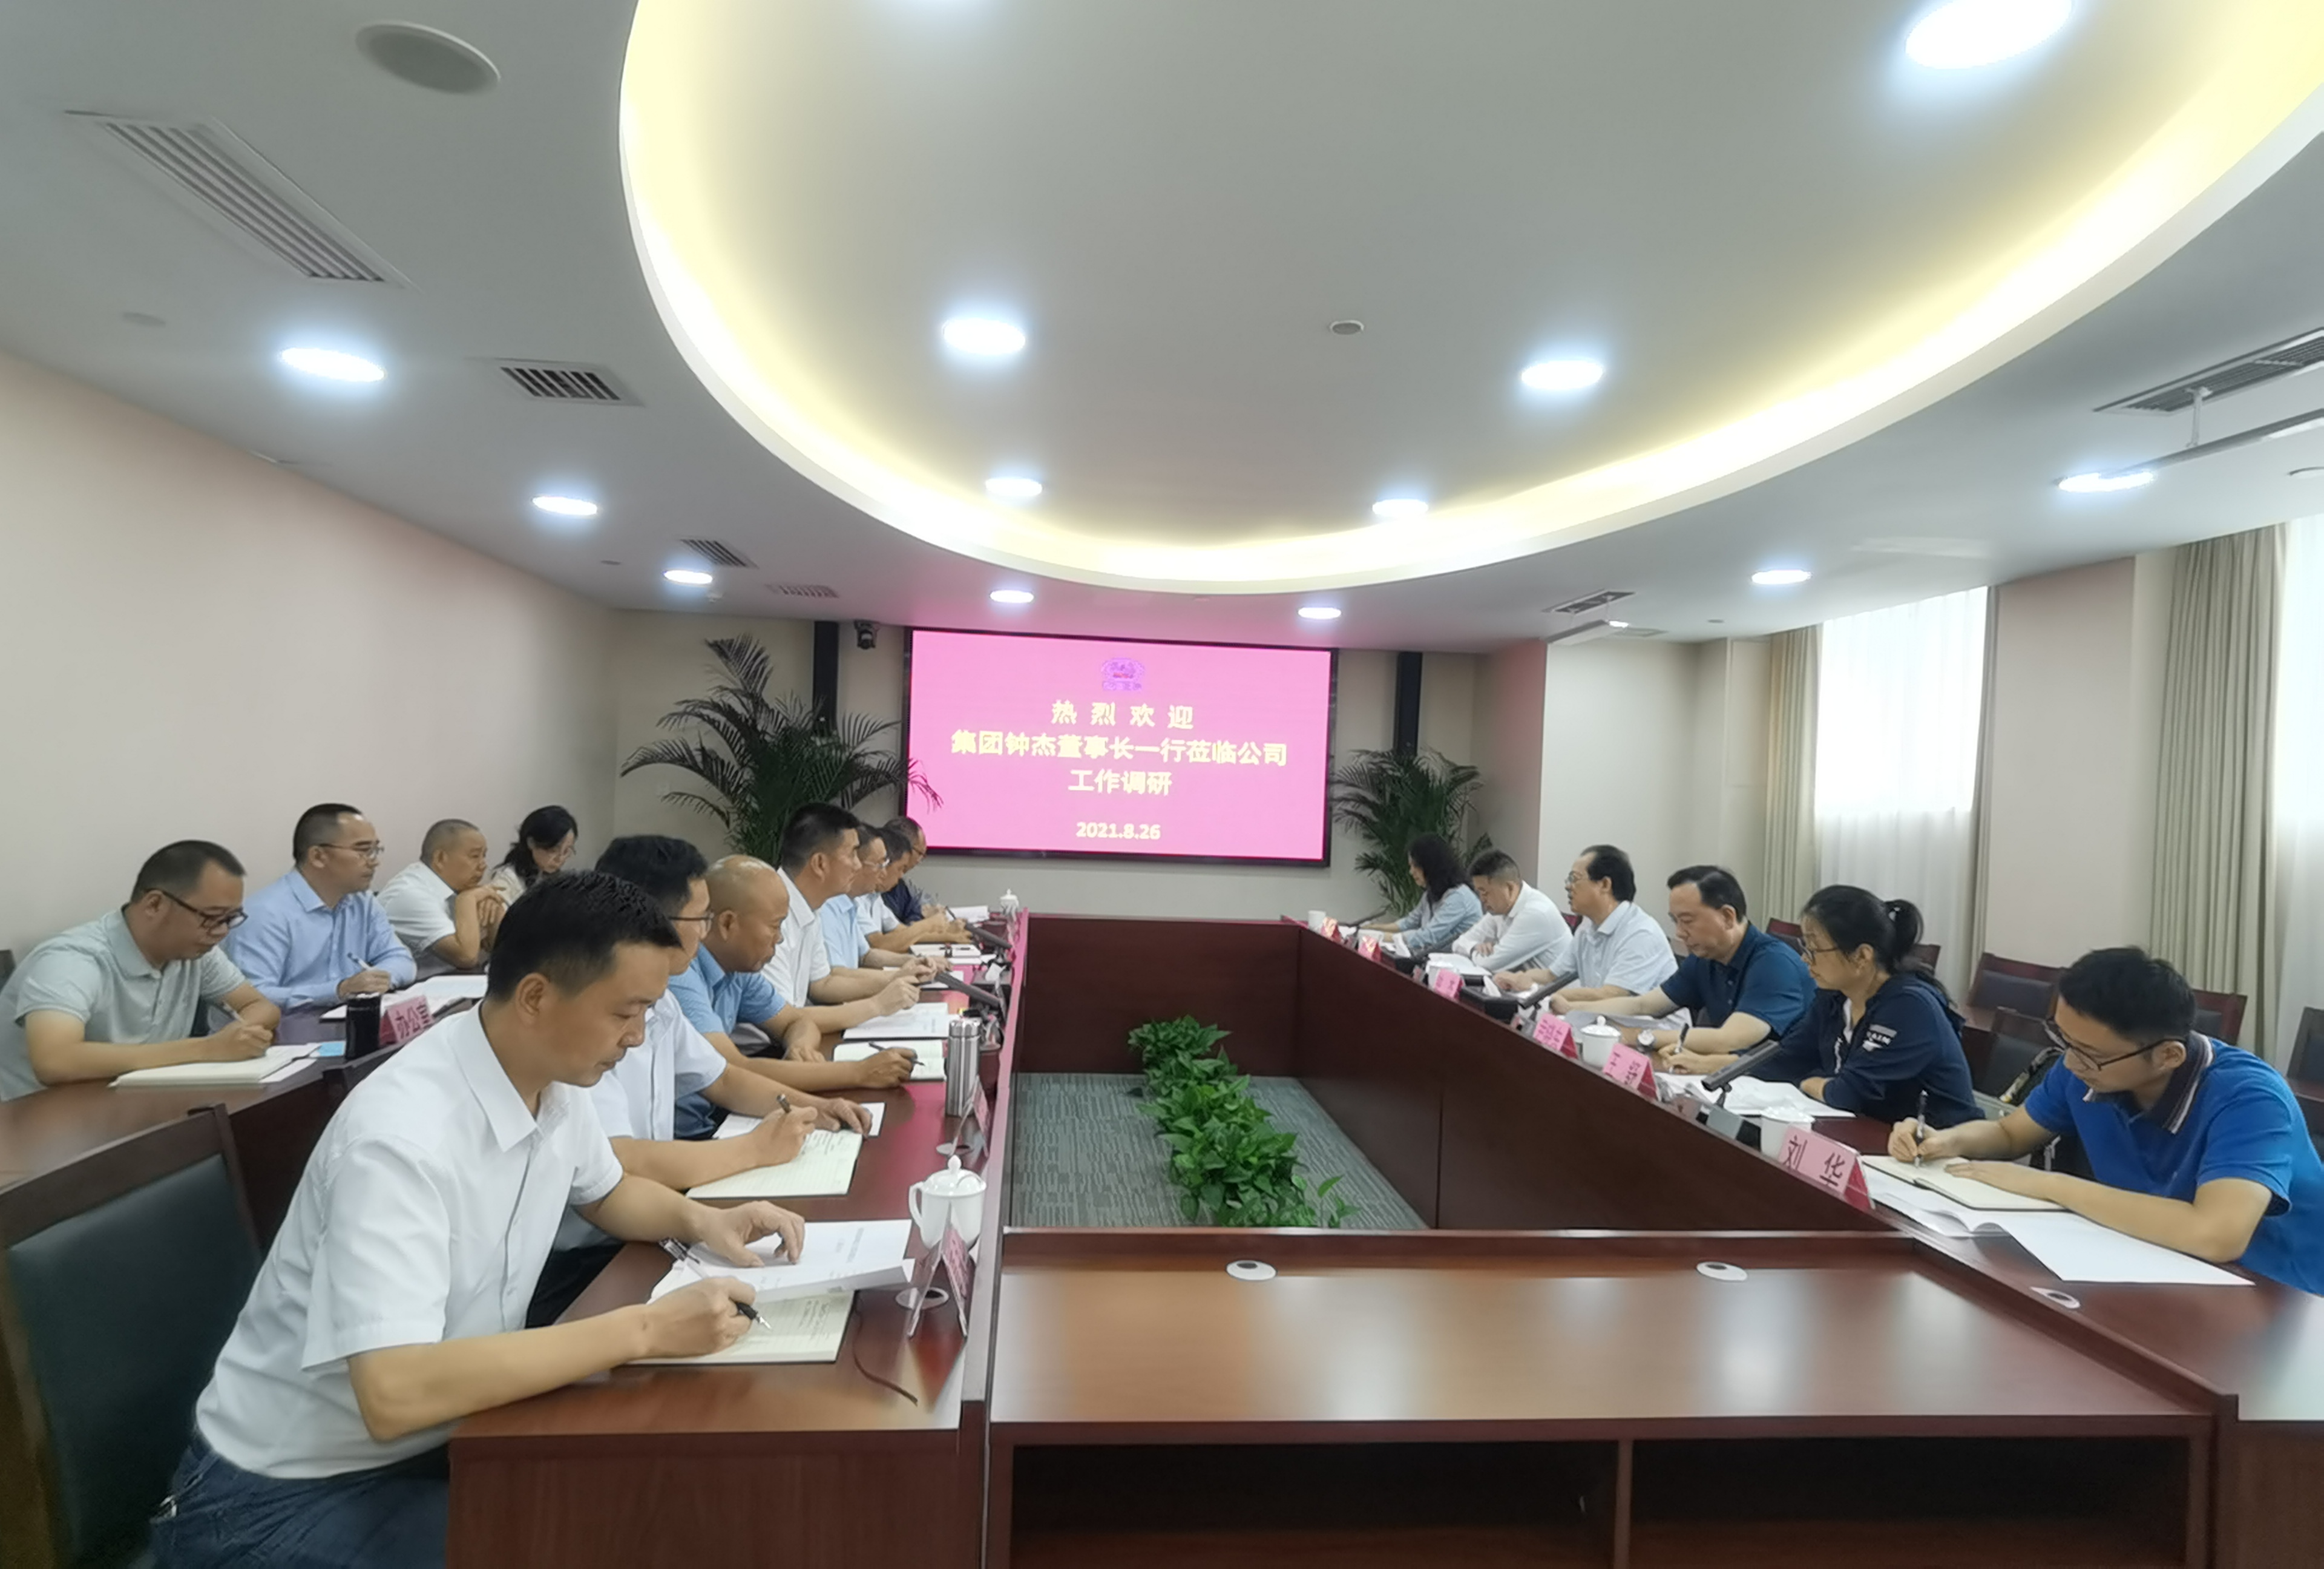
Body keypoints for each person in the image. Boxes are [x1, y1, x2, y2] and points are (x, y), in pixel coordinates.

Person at [151, 872, 806, 1568]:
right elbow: (395, 1391)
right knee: (602, 1537)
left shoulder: (548, 1077)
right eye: (626, 1012)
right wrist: (646, 1329)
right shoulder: (401, 1141)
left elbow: (607, 1192)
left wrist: (705, 1222)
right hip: (279, 1498)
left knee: (655, 1506)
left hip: (443, 1439)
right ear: (536, 997)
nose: (639, 1037)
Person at [532, 837, 867, 1325]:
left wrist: (812, 1107)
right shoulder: (579, 1024)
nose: (635, 1035)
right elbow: (623, 1161)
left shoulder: (659, 999)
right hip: (582, 1260)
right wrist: (754, 1149)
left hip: (637, 1225)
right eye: (701, 918)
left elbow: (722, 1079)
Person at [1891, 947, 2324, 1295]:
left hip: (2275, 1295)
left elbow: (2216, 1234)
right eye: (2064, 1040)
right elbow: (2008, 1133)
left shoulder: (2249, 1098)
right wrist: (1945, 1141)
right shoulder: (2087, 1066)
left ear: (2168, 1055)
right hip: (2153, 1263)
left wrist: (2051, 1186)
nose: (2070, 1063)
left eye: (2089, 1053)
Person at [0, 841, 281, 1099]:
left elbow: (259, 1005)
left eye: (230, 919)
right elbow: (54, 1060)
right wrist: (208, 1049)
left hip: (130, 1107)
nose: (221, 932)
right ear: (155, 904)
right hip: (34, 1122)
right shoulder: (73, 959)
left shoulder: (195, 953)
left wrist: (241, 1035)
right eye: (212, 917)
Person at [680, 855, 920, 1090]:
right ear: (727, 924)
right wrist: (859, 1072)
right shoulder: (683, 975)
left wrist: (800, 1047)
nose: (780, 938)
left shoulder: (740, 970)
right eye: (774, 927)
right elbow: (731, 1071)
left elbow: (796, 1020)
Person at [1752, 886, 1977, 1125]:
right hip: (1865, 1133)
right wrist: (1730, 1066)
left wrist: (1808, 1082)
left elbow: (1847, 1094)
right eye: (1805, 947)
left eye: (1814, 949)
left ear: (1862, 956)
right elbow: (1785, 1060)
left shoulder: (1909, 1007)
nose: (1805, 959)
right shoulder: (1834, 998)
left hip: (1935, 1141)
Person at [1581, 866, 1814, 1065]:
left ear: (1727, 917)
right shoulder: (1706, 957)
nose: (1679, 933)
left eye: (1687, 921)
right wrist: (1575, 1009)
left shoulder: (1775, 964)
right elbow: (1644, 1005)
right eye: (1675, 921)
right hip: (1726, 1076)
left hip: (1784, 1089)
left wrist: (1638, 1036)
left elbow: (1729, 1039)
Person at [769, 806, 937, 1055]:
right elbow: (787, 1018)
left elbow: (822, 983)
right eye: (852, 855)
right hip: (763, 1049)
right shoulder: (770, 911)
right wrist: (877, 1005)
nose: (858, 866)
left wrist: (896, 979)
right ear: (820, 864)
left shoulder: (811, 907)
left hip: (794, 1039)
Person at [226, 804, 415, 1010]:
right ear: (318, 856)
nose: (374, 862)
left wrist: (381, 979)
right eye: (363, 851)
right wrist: (337, 991)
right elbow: (251, 998)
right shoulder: (265, 913)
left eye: (375, 850)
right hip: (280, 1027)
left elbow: (400, 958)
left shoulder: (362, 901)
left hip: (341, 1018)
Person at [1495, 845, 1678, 1003]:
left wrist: (1545, 993)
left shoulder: (1640, 933)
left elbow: (1611, 995)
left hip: (1648, 1029)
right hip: (1601, 1021)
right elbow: (1551, 975)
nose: (1568, 886)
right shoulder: (1587, 927)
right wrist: (1520, 978)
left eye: (1574, 879)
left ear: (1605, 884)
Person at [376, 820, 505, 971]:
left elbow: (507, 951)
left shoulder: (458, 887)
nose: (483, 865)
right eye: (475, 856)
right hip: (408, 984)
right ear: (440, 858)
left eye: (484, 856)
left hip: (451, 981)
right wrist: (467, 900)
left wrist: (494, 905)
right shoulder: (410, 894)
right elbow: (466, 958)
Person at [816, 820, 921, 974]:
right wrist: (897, 977)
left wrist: (914, 961)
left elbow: (866, 956)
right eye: (879, 865)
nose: (883, 873)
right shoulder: (827, 906)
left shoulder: (851, 903)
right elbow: (835, 975)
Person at [1361, 834, 1483, 959]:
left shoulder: (1459, 897)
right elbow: (1409, 922)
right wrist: (1376, 928)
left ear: (1431, 865)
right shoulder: (1431, 894)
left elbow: (1428, 936)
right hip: (1437, 960)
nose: (1411, 872)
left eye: (1415, 866)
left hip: (1459, 965)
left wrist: (1380, 936)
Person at [1454, 850, 1573, 976]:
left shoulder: (1535, 913)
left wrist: (1474, 953)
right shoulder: (1499, 910)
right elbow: (1459, 943)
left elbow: (1491, 964)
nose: (1482, 899)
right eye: (1479, 892)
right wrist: (1475, 947)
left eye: (1485, 892)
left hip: (1555, 988)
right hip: (1524, 985)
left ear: (1509, 888)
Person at [485, 804, 578, 908]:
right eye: (553, 850)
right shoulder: (507, 882)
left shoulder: (556, 879)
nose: (560, 859)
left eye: (566, 851)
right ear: (531, 843)